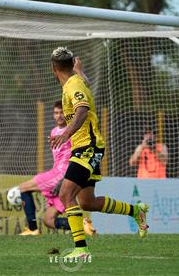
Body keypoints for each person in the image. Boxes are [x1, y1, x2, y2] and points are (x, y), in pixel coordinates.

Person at [49, 47, 149, 259]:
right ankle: (136, 211)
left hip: (88, 147)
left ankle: (81, 249)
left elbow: (82, 110)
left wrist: (65, 134)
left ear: (54, 69)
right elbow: (83, 84)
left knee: (66, 195)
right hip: (84, 147)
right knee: (87, 202)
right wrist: (81, 71)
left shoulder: (72, 85)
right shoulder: (76, 81)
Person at [16, 100, 96, 236]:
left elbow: (75, 155)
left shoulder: (71, 131)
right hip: (57, 172)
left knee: (22, 188)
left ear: (67, 114)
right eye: (56, 113)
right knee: (48, 220)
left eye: (62, 113)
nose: (59, 116)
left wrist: (65, 178)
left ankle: (32, 228)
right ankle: (83, 226)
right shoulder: (53, 132)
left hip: (62, 174)